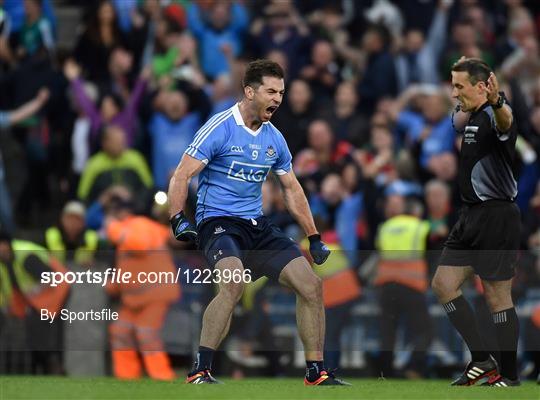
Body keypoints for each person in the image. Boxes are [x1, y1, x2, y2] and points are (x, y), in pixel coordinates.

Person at [168, 59, 348, 385]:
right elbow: (182, 173)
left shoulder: (274, 138)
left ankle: (315, 372)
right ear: (249, 92)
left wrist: (314, 235)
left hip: (256, 225)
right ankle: (200, 370)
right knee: (233, 284)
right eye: (271, 91)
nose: (278, 98)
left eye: (281, 92)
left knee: (311, 286)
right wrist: (178, 218)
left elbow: (291, 188)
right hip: (218, 223)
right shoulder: (219, 128)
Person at [431, 57, 521, 387]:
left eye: (459, 86)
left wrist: (498, 101)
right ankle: (482, 359)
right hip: (470, 215)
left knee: (497, 296)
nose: (454, 92)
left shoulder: (496, 112)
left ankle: (509, 376)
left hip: (496, 216)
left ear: (482, 87)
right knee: (443, 284)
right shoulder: (470, 117)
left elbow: (505, 121)